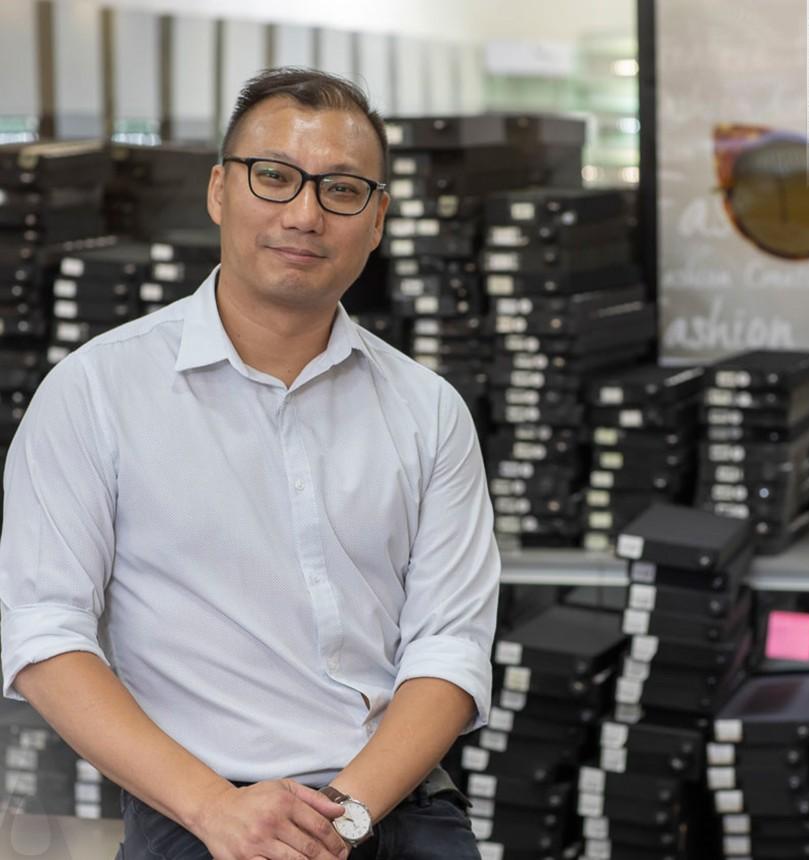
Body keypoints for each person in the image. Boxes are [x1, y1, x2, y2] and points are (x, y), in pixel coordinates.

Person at [0, 67, 500, 860]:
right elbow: (42, 633)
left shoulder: (428, 410)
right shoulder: (96, 391)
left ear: (377, 220)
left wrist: (341, 817)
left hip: (389, 806)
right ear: (219, 191)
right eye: (274, 176)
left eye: (341, 189)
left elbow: (450, 646)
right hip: (200, 810)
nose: (304, 214)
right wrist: (216, 810)